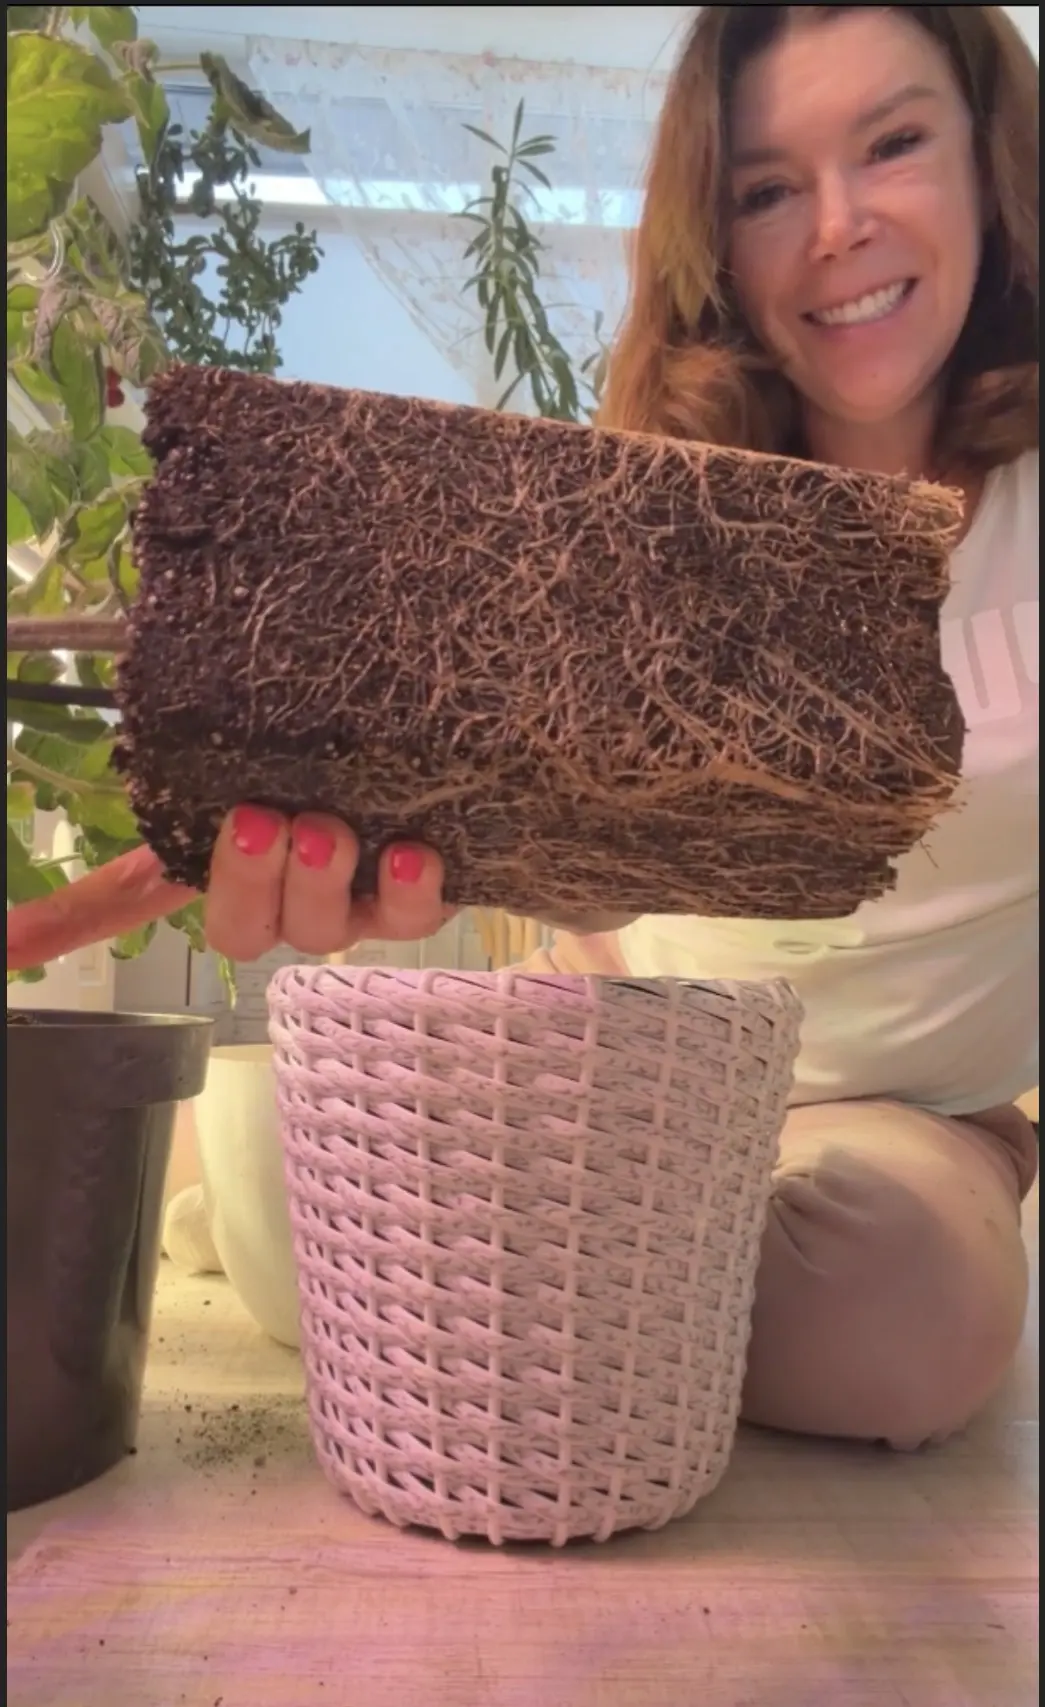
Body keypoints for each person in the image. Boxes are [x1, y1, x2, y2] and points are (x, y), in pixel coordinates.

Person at [7, 6, 1038, 1448]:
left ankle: (404, 1255)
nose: (836, 226)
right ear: (715, 238)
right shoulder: (651, 510)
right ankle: (303, 1214)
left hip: (893, 1128)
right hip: (613, 1044)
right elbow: (588, 860)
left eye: (894, 143)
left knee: (897, 1320)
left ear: (991, 161)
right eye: (766, 188)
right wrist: (378, 820)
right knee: (300, 1203)